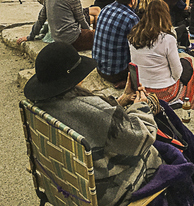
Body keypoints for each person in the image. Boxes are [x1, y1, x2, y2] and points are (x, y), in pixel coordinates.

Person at [23, 43, 184, 205]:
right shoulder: (86, 108)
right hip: (107, 193)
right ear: (76, 78)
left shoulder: (41, 107)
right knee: (176, 157)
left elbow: (95, 119)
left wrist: (121, 101)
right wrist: (141, 106)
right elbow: (141, 137)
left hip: (63, 188)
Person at [129, 0, 194, 122]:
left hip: (142, 89)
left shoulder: (134, 34)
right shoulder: (167, 39)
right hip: (164, 92)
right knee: (189, 67)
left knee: (186, 63)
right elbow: (177, 73)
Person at [22, 0, 95, 51]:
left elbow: (41, 19)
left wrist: (30, 36)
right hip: (72, 39)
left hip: (57, 38)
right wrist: (90, 33)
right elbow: (81, 20)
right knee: (100, 36)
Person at [92, 0, 140, 85]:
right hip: (116, 73)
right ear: (133, 0)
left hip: (99, 68)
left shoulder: (105, 9)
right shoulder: (131, 18)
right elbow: (138, 47)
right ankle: (128, 81)